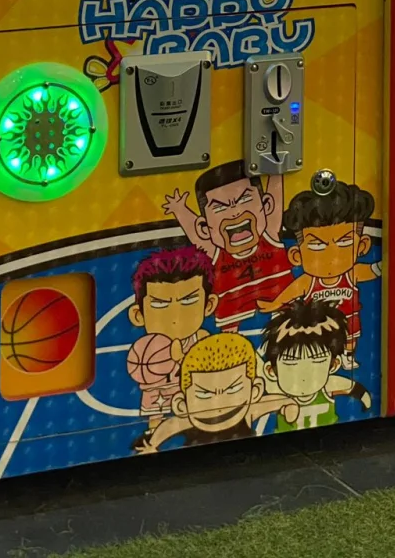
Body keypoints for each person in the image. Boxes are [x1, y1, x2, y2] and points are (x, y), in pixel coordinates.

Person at [258, 179, 380, 365]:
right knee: (317, 347)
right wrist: (274, 304)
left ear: (362, 246)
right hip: (318, 326)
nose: (331, 253)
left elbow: (374, 270)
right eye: (317, 245)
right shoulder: (308, 281)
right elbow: (290, 293)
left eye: (344, 242)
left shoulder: (352, 273)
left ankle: (347, 357)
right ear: (296, 256)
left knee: (350, 340)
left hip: (349, 321)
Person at [163, 161, 292, 331]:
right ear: (205, 228)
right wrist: (180, 210)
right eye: (219, 208)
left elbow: (276, 196)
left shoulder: (269, 232)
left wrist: (276, 164)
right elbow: (195, 235)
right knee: (229, 341)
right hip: (232, 309)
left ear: (265, 205)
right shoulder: (216, 252)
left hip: (281, 299)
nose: (235, 212)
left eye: (245, 199)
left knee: (289, 326)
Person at [126, 245, 218, 446]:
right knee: (155, 418)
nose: (175, 315)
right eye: (160, 304)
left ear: (209, 305)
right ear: (138, 315)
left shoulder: (202, 338)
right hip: (160, 393)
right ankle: (154, 437)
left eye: (188, 300)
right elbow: (142, 379)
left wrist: (183, 358)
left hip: (196, 397)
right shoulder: (146, 350)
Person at [133, 332, 284, 451]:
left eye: (233, 389)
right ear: (181, 405)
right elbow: (170, 425)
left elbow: (274, 401)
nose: (219, 404)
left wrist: (289, 405)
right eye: (204, 394)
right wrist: (152, 446)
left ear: (255, 391)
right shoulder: (190, 418)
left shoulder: (247, 412)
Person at [260, 299, 371, 431]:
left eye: (317, 361)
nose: (303, 375)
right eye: (291, 363)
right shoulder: (279, 393)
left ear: (334, 365)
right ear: (271, 371)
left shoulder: (328, 386)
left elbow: (351, 387)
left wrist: (365, 400)